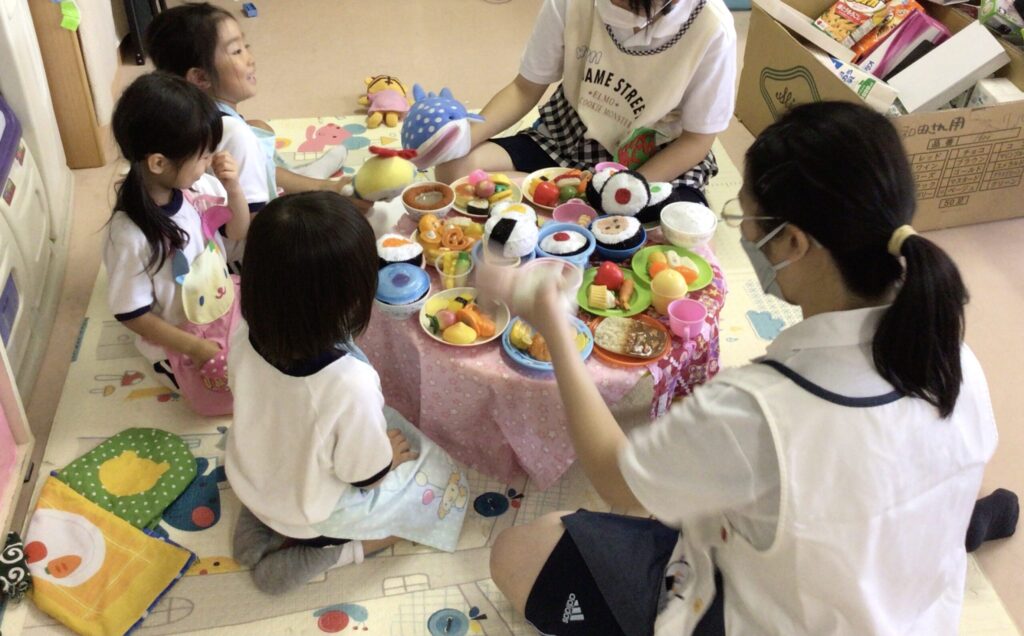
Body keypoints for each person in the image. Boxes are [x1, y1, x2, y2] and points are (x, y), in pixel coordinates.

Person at [481, 101, 998, 634]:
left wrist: (556, 328)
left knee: (519, 551)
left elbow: (618, 481)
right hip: (902, 600)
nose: (746, 234)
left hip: (767, 613)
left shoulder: (758, 407)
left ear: (794, 241)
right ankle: (972, 520)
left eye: (748, 218)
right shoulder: (950, 354)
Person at [226, 192, 468, 595]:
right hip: (311, 511)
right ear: (353, 297)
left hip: (251, 473)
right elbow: (365, 477)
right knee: (442, 482)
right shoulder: (348, 383)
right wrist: (389, 458)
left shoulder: (244, 333)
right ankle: (332, 552)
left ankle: (259, 519)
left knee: (293, 453)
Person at [435, 0, 736, 213]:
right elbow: (524, 89)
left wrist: (625, 189)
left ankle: (553, 205)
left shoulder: (711, 28)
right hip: (571, 136)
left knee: (684, 224)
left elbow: (696, 140)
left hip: (655, 157)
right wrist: (460, 139)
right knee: (455, 168)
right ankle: (563, 203)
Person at [145, 2, 367, 269]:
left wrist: (323, 188)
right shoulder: (235, 135)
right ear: (201, 77)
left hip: (218, 221)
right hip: (242, 253)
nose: (250, 58)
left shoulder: (185, 114)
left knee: (259, 128)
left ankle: (314, 183)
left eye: (245, 46)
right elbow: (257, 229)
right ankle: (312, 189)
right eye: (237, 51)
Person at [104, 72, 249, 396]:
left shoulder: (196, 186)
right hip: (179, 340)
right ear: (158, 163)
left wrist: (234, 189)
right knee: (234, 393)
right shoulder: (130, 235)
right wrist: (196, 349)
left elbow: (237, 231)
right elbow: (132, 313)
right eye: (203, 156)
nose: (209, 162)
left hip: (220, 304)